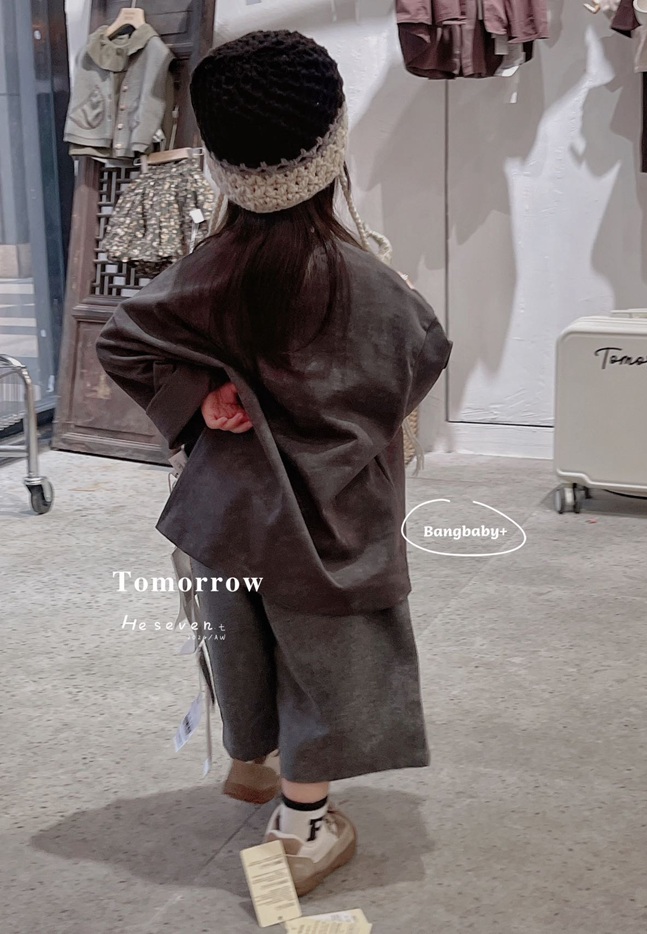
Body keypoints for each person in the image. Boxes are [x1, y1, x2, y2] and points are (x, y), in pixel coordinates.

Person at [96, 29, 452, 897]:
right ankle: (303, 827)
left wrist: (201, 396)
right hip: (329, 527)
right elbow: (422, 355)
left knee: (242, 640)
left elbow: (122, 339)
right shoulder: (371, 285)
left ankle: (252, 760)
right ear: (334, 146)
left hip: (225, 512)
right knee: (326, 662)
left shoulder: (204, 273)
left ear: (220, 165)